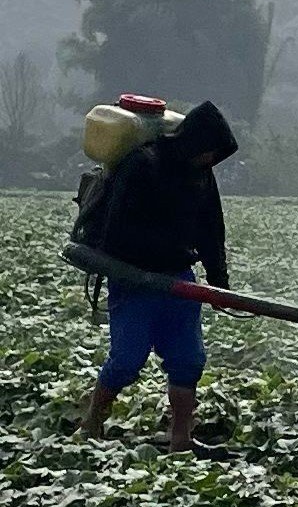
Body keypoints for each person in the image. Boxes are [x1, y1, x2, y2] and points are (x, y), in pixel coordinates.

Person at [78, 101, 238, 451]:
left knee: (188, 358)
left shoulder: (200, 173)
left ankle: (181, 438)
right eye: (209, 152)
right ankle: (91, 424)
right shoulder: (143, 164)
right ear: (193, 142)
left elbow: (211, 227)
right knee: (126, 360)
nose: (211, 160)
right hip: (135, 279)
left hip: (179, 279)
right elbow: (116, 228)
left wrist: (218, 280)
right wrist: (148, 266)